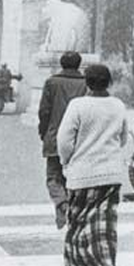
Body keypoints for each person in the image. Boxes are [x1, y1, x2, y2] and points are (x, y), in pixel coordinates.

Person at [58, 63, 127, 266]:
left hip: (81, 175)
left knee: (76, 224)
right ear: (109, 83)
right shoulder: (118, 106)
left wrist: (66, 162)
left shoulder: (78, 105)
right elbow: (123, 137)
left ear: (86, 83)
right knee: (104, 224)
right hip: (110, 176)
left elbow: (64, 140)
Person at [38, 51, 86, 229]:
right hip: (78, 139)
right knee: (74, 177)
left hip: (54, 136)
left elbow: (44, 111)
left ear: (61, 63)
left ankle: (61, 205)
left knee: (53, 177)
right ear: (79, 64)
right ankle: (68, 213)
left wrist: (43, 133)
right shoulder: (86, 84)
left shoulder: (52, 82)